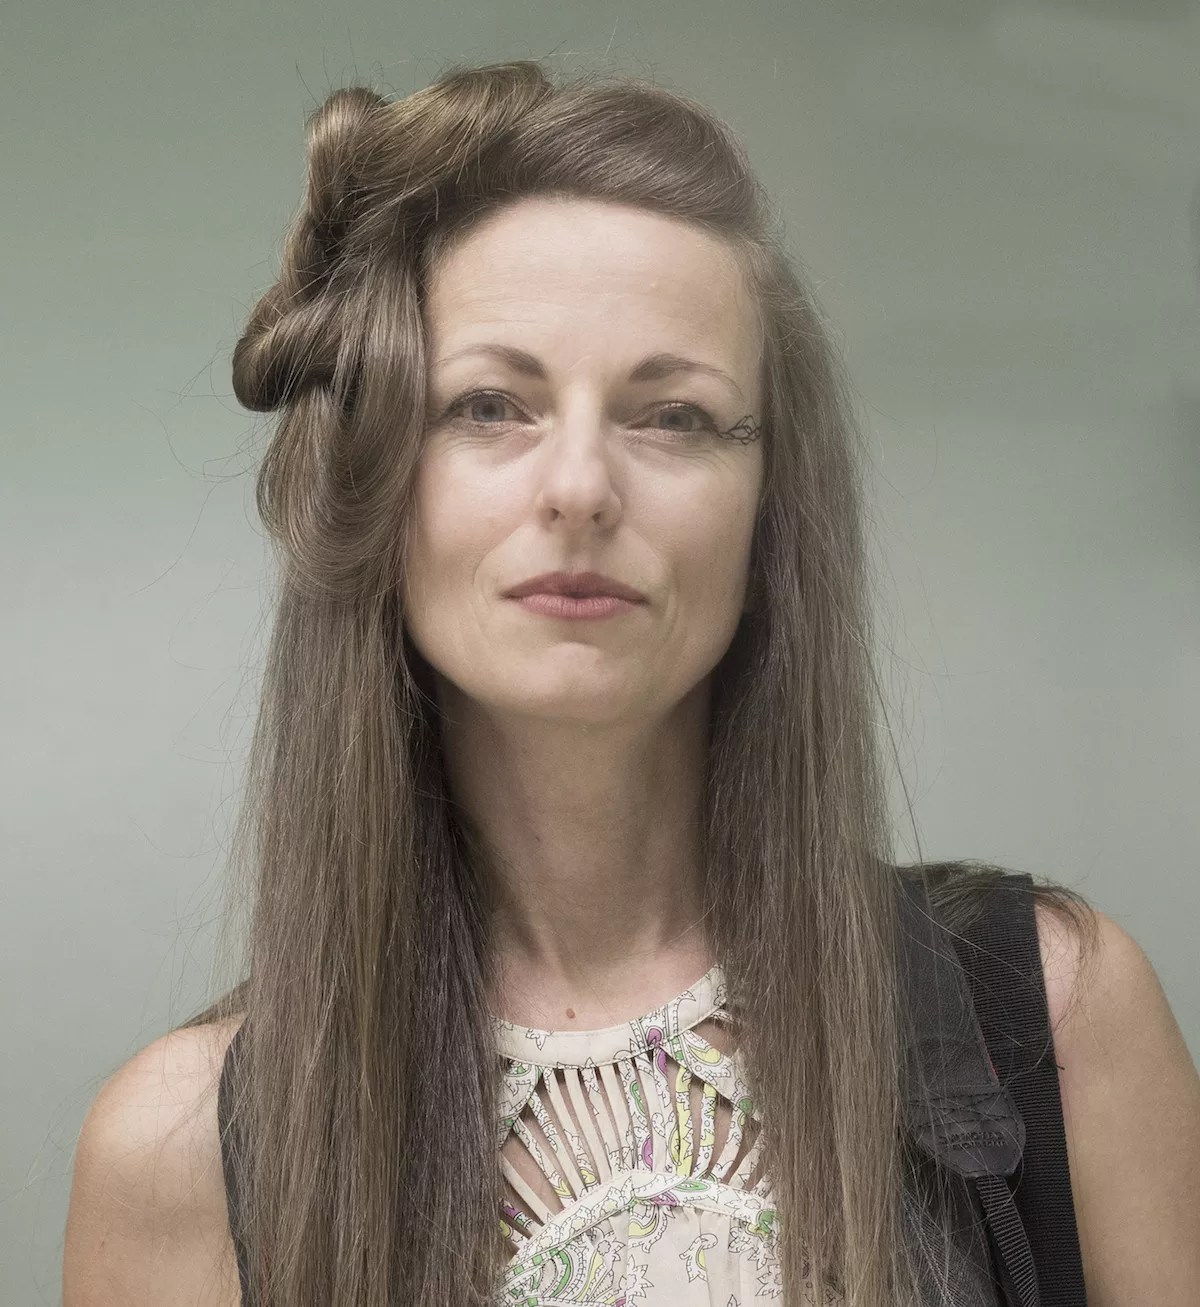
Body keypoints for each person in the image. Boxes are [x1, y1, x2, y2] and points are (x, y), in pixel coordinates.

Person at [63, 59, 1200, 1307]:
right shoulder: (174, 1153)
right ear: (378, 486)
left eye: (674, 416)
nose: (580, 487)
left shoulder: (1054, 1012)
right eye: (489, 404)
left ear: (769, 511)